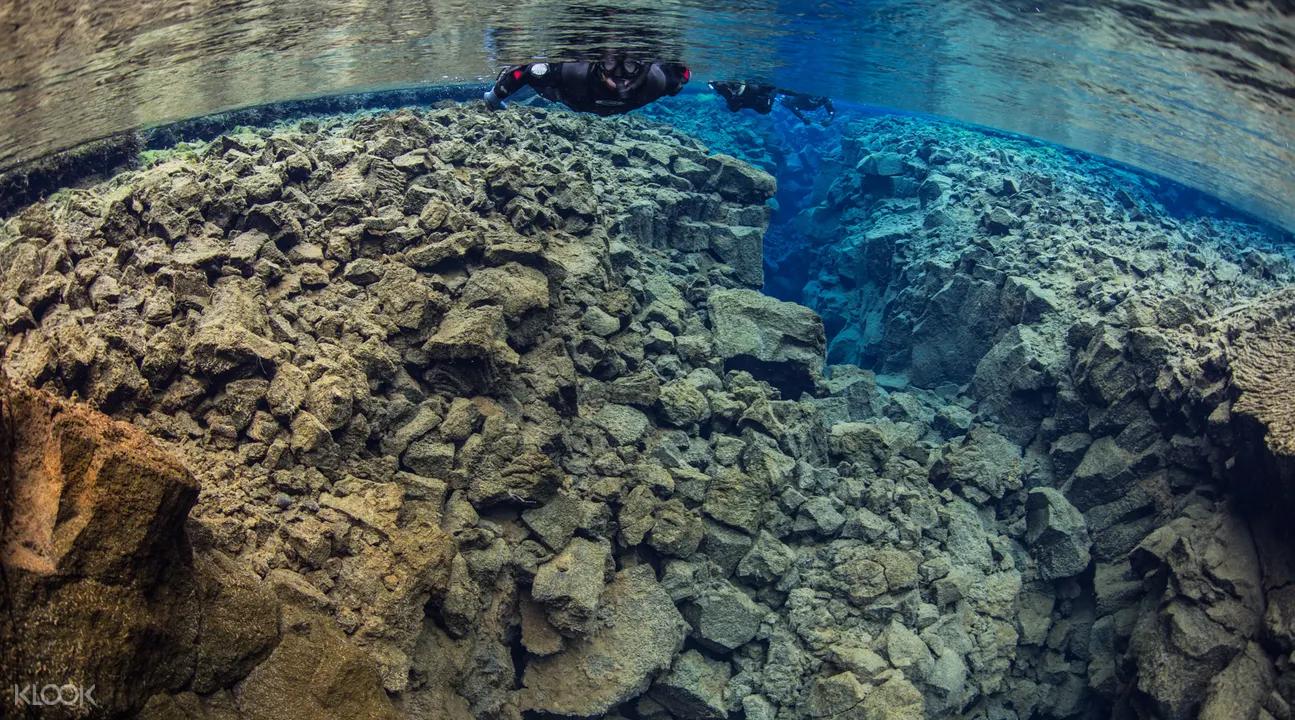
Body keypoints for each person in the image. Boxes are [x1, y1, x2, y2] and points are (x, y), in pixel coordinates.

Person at [483, 54, 690, 117]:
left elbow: (682, 76)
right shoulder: (573, 72)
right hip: (565, 94)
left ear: (643, 67)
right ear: (598, 62)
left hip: (578, 97)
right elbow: (525, 71)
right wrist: (494, 97)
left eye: (629, 65)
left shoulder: (657, 82)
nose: (618, 75)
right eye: (610, 62)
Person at [709, 81, 778, 114]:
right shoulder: (723, 88)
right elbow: (733, 108)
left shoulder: (756, 88)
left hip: (757, 98)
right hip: (755, 99)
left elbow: (732, 108)